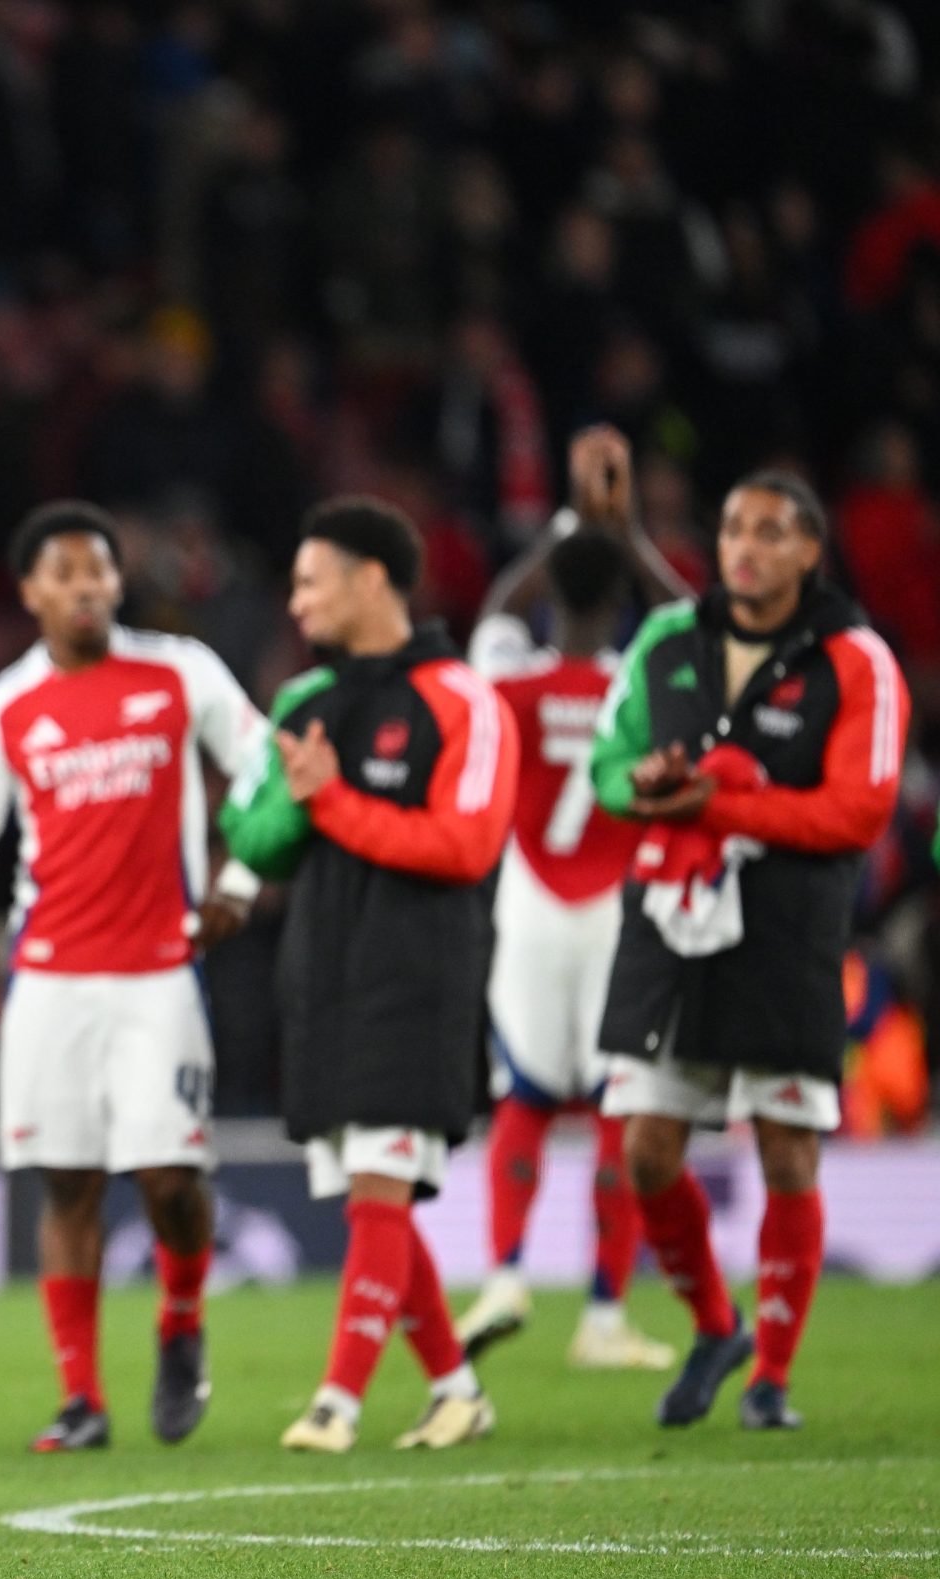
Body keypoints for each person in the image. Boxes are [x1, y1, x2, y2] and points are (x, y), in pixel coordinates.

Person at [0, 500, 267, 1452]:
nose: (86, 587)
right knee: (68, 1185)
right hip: (48, 979)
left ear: (118, 582)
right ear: (31, 593)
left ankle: (182, 1320)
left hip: (160, 973)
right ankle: (82, 1399)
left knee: (170, 1180)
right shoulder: (2, 707)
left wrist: (240, 880)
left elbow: (266, 766)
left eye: (99, 570)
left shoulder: (180, 672)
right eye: (65, 574)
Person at [589, 472, 909, 1431]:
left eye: (770, 532)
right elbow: (606, 764)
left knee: (787, 1153)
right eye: (733, 528)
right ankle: (714, 1327)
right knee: (647, 1152)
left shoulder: (856, 660)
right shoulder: (666, 640)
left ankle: (770, 1379)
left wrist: (721, 806)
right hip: (670, 921)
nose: (745, 547)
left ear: (810, 550)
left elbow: (861, 811)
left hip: (787, 931)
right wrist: (645, 786)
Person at [219, 497, 515, 1455]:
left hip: (421, 976)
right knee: (371, 1193)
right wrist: (290, 804)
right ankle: (458, 1391)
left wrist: (334, 800)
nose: (296, 603)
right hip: (322, 977)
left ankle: (336, 1404)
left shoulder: (463, 699)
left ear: (371, 579)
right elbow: (255, 836)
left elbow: (466, 845)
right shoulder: (303, 703)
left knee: (379, 1190)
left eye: (311, 582)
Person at [454, 427, 691, 1371]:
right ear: (621, 600)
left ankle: (506, 1272)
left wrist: (565, 528)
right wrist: (627, 536)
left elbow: (492, 610)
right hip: (617, 914)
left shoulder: (510, 677)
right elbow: (693, 628)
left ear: (552, 593)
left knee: (523, 1093)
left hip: (530, 908)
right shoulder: (640, 683)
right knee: (615, 1107)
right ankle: (603, 1313)